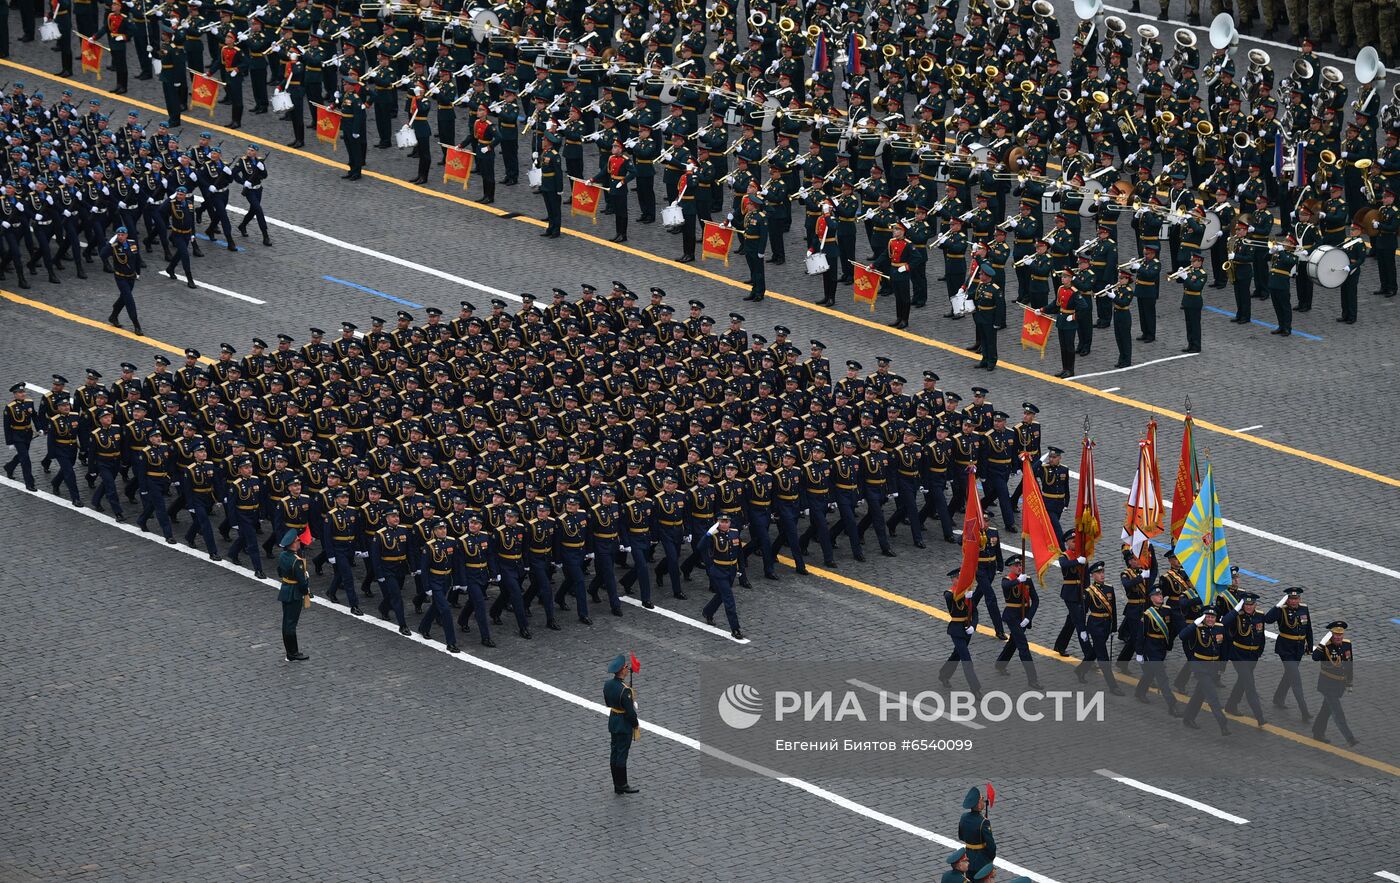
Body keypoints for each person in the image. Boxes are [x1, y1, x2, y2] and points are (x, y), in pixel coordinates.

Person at [1265, 587, 1314, 720]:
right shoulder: (1281, 609)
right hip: (1285, 648)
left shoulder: (1304, 608)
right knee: (1295, 678)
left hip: (1298, 648)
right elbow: (1267, 619)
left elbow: (1308, 628)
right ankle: (1304, 710)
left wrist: (1310, 646)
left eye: (1296, 598)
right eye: (1291, 599)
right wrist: (1278, 605)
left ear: (1300, 599)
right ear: (1287, 599)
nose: (1293, 601)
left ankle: (1278, 698)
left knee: (1289, 674)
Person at [993, 555, 1042, 689]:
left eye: (1020, 565)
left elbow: (1036, 600)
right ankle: (1032, 679)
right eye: (1016, 566)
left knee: (1013, 641)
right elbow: (1006, 585)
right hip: (1012, 617)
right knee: (1023, 646)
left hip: (1023, 617)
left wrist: (1028, 618)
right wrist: (1018, 581)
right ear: (1010, 567)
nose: (1019, 567)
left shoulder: (1028, 580)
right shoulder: (1008, 580)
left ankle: (1001, 664)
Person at [1222, 592, 1268, 727]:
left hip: (1253, 656)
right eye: (1246, 604)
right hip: (1239, 655)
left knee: (1242, 681)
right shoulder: (1237, 616)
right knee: (1249, 685)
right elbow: (1224, 623)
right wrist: (1237, 609)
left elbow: (1261, 636)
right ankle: (1260, 717)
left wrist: (1259, 652)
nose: (1248, 607)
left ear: (1255, 604)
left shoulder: (1260, 615)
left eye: (1251, 604)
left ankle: (1231, 705)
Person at [1311, 620, 1357, 746]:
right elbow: (1314, 657)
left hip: (1339, 685)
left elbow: (1349, 665)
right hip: (1327, 685)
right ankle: (1350, 738)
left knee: (1326, 710)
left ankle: (1317, 731)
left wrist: (1349, 683)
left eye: (1340, 634)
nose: (1338, 637)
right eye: (1336, 635)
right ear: (1331, 634)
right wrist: (1321, 644)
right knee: (1338, 713)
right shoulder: (1325, 647)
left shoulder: (1347, 645)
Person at [700, 512, 744, 640]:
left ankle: (708, 612)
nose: (724, 524)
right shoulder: (713, 534)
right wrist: (707, 535)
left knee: (721, 595)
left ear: (730, 523)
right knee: (729, 599)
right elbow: (700, 547)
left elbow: (739, 553)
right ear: (718, 522)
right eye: (722, 522)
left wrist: (741, 570)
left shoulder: (735, 532)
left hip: (731, 570)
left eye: (726, 522)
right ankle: (735, 629)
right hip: (719, 571)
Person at [938, 570, 983, 694]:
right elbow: (951, 599)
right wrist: (964, 595)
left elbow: (974, 612)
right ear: (953, 580)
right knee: (966, 659)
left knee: (956, 654)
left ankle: (944, 674)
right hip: (956, 630)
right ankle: (975, 688)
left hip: (967, 629)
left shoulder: (967, 592)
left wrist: (973, 626)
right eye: (958, 578)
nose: (961, 580)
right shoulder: (949, 593)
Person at [604, 653, 640, 794]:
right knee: (622, 754)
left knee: (614, 752)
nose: (627, 669)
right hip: (623, 724)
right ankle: (622, 784)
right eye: (626, 667)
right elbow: (630, 713)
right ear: (621, 670)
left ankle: (616, 784)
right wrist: (635, 724)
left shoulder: (608, 685)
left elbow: (608, 702)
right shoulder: (625, 691)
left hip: (613, 720)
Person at [276, 528, 311, 662]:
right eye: (297, 541)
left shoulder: (283, 556)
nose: (299, 543)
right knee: (291, 624)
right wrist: (306, 586)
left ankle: (290, 652)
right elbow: (302, 583)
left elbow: (280, 572)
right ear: (292, 544)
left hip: (285, 590)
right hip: (294, 593)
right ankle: (293, 653)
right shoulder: (297, 561)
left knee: (286, 623)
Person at [100, 227, 142, 335]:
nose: (120, 237)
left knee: (124, 297)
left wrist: (138, 272)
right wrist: (110, 243)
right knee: (129, 300)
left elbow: (137, 258)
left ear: (126, 235)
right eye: (118, 235)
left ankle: (113, 316)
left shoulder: (132, 243)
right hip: (120, 277)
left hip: (131, 277)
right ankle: (136, 325)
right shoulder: (114, 246)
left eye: (122, 235)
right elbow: (103, 255)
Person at [233, 146, 272, 246]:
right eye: (248, 150)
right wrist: (243, 182)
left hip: (258, 189)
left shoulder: (259, 161)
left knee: (253, 211)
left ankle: (242, 225)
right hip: (249, 191)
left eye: (252, 150)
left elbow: (264, 176)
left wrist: (262, 169)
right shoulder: (243, 161)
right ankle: (265, 236)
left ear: (256, 152)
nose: (249, 152)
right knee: (258, 210)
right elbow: (234, 173)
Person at [4, 383, 37, 491]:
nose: (23, 394)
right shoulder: (10, 407)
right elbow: (7, 426)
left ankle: (10, 467)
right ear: (15, 394)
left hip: (27, 434)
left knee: (23, 455)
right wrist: (9, 442)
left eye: (23, 392)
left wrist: (40, 428)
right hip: (17, 436)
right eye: (20, 392)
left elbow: (34, 417)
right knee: (25, 459)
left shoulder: (29, 403)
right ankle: (29, 483)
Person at [957, 786, 996, 877]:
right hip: (981, 860)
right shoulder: (983, 822)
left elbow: (961, 836)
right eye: (982, 799)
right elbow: (991, 846)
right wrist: (989, 859)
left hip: (968, 858)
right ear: (978, 805)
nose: (984, 801)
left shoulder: (963, 817)